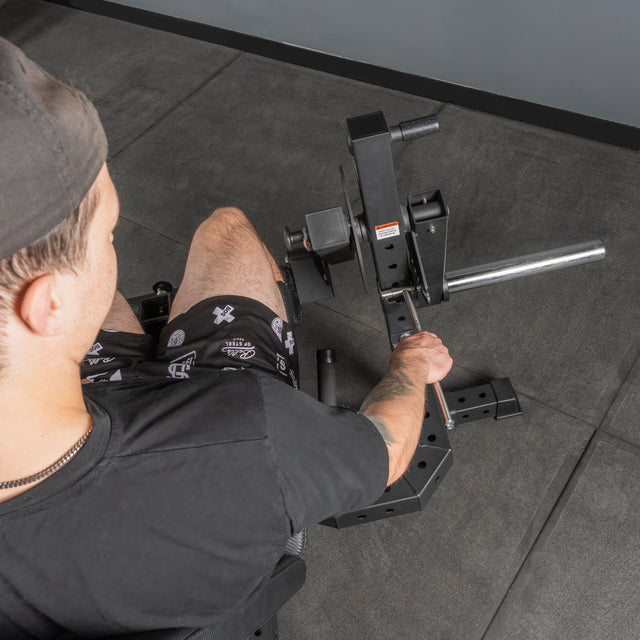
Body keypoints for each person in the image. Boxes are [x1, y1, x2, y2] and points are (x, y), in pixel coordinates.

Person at [0, 37, 452, 638]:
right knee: (227, 230)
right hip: (201, 428)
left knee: (101, 294)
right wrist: (411, 366)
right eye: (108, 234)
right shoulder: (248, 440)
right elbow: (389, 449)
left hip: (79, 397)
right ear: (45, 305)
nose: (111, 245)